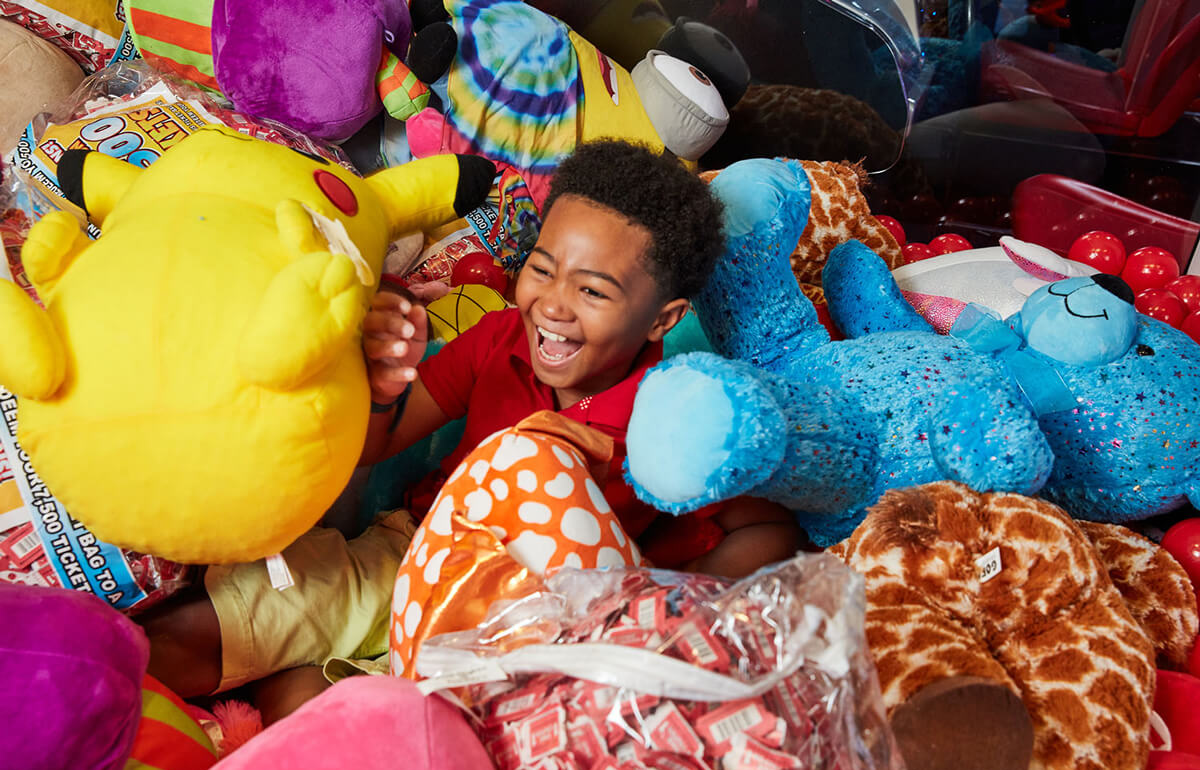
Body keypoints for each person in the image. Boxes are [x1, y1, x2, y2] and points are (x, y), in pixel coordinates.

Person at [140, 140, 802, 721]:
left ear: (662, 320)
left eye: (594, 292)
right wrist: (383, 382)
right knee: (191, 635)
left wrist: (659, 606)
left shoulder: (673, 416)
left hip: (520, 626)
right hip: (406, 551)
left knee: (307, 705)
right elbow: (376, 445)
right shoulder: (501, 337)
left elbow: (771, 528)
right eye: (542, 268)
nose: (553, 305)